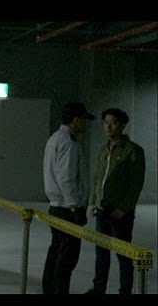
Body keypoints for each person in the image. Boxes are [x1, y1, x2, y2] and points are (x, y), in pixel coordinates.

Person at [86, 108, 145, 294]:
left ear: (122, 125)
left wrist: (124, 208)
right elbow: (98, 178)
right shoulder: (103, 150)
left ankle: (125, 290)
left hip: (120, 212)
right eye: (105, 123)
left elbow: (135, 184)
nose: (108, 126)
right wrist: (93, 202)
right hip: (101, 209)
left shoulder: (133, 151)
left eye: (113, 122)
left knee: (123, 254)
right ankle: (99, 289)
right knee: (101, 254)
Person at [42, 102, 94, 294]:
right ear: (76, 120)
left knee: (56, 251)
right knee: (67, 257)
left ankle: (49, 290)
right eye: (84, 120)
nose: (86, 124)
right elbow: (66, 178)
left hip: (56, 206)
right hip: (66, 209)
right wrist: (74, 207)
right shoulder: (68, 142)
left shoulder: (54, 138)